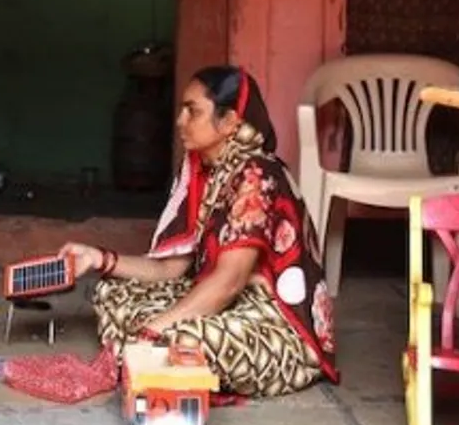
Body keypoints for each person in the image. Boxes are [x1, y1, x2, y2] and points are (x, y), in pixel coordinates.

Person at [61, 66, 338, 398]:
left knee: (180, 341)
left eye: (192, 111)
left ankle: (146, 354)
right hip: (228, 301)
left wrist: (154, 329)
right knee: (112, 292)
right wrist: (99, 258)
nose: (180, 120)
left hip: (275, 322)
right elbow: (171, 269)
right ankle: (143, 354)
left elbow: (228, 282)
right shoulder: (203, 170)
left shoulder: (255, 175)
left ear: (230, 122)